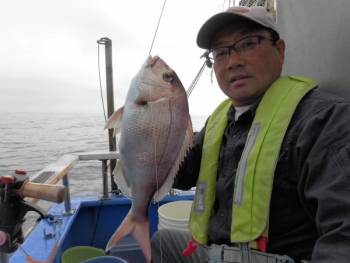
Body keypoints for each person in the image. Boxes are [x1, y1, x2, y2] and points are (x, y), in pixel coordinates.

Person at [151, 5, 350, 263]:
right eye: (221, 52)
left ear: (280, 50)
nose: (233, 61)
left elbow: (343, 232)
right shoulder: (219, 121)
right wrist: (151, 133)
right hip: (215, 251)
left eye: (247, 43)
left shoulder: (322, 119)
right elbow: (178, 174)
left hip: (275, 256)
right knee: (163, 243)